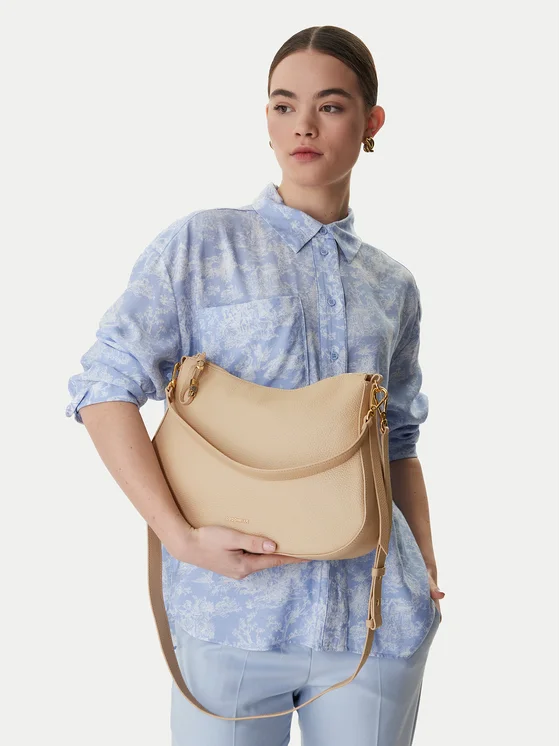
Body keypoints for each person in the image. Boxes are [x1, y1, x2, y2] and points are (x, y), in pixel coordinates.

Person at [66, 24, 445, 746]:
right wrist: (178, 538)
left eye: (330, 106)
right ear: (266, 118)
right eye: (283, 105)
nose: (303, 125)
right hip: (231, 613)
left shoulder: (392, 283)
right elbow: (103, 388)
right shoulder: (202, 244)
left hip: (374, 619)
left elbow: (398, 440)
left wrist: (424, 569)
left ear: (371, 123)